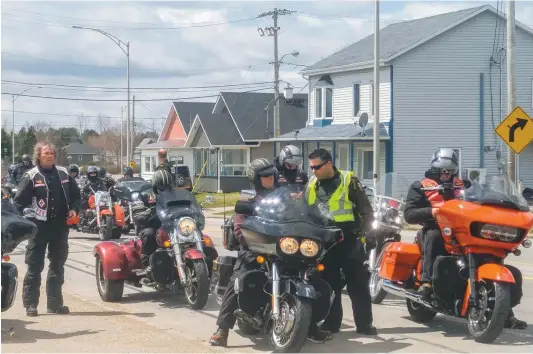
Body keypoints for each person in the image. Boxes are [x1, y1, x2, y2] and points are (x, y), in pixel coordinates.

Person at [404, 148, 527, 329]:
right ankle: (427, 282)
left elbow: (483, 196)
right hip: (436, 229)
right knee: (434, 236)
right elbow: (409, 214)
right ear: (434, 169)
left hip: (464, 232)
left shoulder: (465, 184)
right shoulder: (420, 186)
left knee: (490, 252)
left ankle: (505, 311)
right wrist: (432, 211)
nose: (446, 174)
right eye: (442, 170)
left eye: (450, 171)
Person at [304, 148, 377, 335]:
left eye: (317, 167)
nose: (313, 171)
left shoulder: (348, 181)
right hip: (324, 243)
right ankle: (331, 323)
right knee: (329, 284)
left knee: (358, 284)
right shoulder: (311, 184)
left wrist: (366, 236)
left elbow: (367, 212)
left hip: (349, 240)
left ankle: (364, 324)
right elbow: (304, 211)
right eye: (311, 167)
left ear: (329, 163)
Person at [209, 158, 279, 347]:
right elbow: (239, 227)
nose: (271, 177)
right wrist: (251, 241)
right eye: (265, 176)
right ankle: (222, 330)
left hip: (280, 247)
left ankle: (311, 325)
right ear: (256, 178)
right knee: (239, 279)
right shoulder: (248, 197)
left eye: (272, 174)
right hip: (254, 249)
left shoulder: (280, 195)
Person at [14, 142, 81, 317]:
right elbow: (19, 203)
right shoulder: (31, 176)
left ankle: (55, 304)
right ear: (39, 156)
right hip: (39, 227)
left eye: (52, 153)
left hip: (60, 226)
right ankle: (31, 305)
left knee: (58, 265)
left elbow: (76, 196)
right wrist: (26, 214)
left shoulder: (63, 173)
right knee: (35, 266)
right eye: (46, 153)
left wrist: (74, 208)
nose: (50, 155)